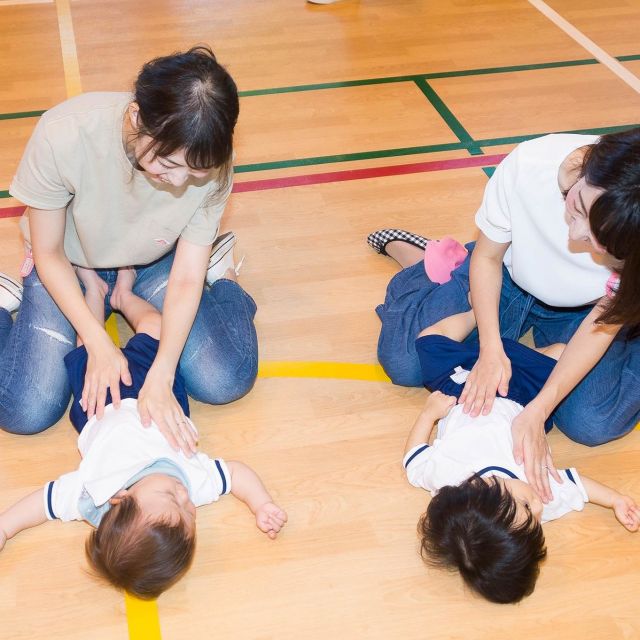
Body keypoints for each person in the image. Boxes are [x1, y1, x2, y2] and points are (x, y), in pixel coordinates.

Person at [1, 45, 257, 447]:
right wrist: (99, 343)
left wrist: (163, 372)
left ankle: (224, 278)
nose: (178, 182)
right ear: (138, 118)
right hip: (68, 262)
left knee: (227, 380)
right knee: (25, 410)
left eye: (196, 173)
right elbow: (49, 253)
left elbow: (187, 276)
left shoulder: (211, 156)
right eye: (169, 166)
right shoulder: (64, 133)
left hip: (155, 260)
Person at [370, 127, 640, 501]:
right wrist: (491, 349)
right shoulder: (530, 164)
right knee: (403, 362)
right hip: (508, 276)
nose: (578, 236)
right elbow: (488, 257)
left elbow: (603, 319)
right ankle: (422, 259)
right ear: (587, 170)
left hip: (587, 311)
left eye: (605, 243)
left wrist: (537, 410)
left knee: (591, 423)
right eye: (578, 209)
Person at [0, 267, 286, 600]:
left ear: (119, 501)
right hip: (159, 390)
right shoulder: (193, 481)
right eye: (189, 511)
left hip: (98, 397)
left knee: (85, 342)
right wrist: (261, 502)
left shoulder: (94, 492)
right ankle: (124, 295)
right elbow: (236, 474)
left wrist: (6, 525)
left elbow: (43, 504)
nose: (183, 495)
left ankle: (94, 290)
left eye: (170, 498)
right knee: (155, 326)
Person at [402, 311, 639, 604]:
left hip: (465, 385)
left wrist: (429, 414)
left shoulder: (447, 477)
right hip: (522, 394)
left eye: (527, 506)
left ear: (482, 490)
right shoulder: (536, 496)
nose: (539, 508)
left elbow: (413, 460)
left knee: (427, 342)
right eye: (536, 523)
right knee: (562, 357)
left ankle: (476, 313)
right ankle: (530, 351)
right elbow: (577, 486)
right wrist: (615, 499)